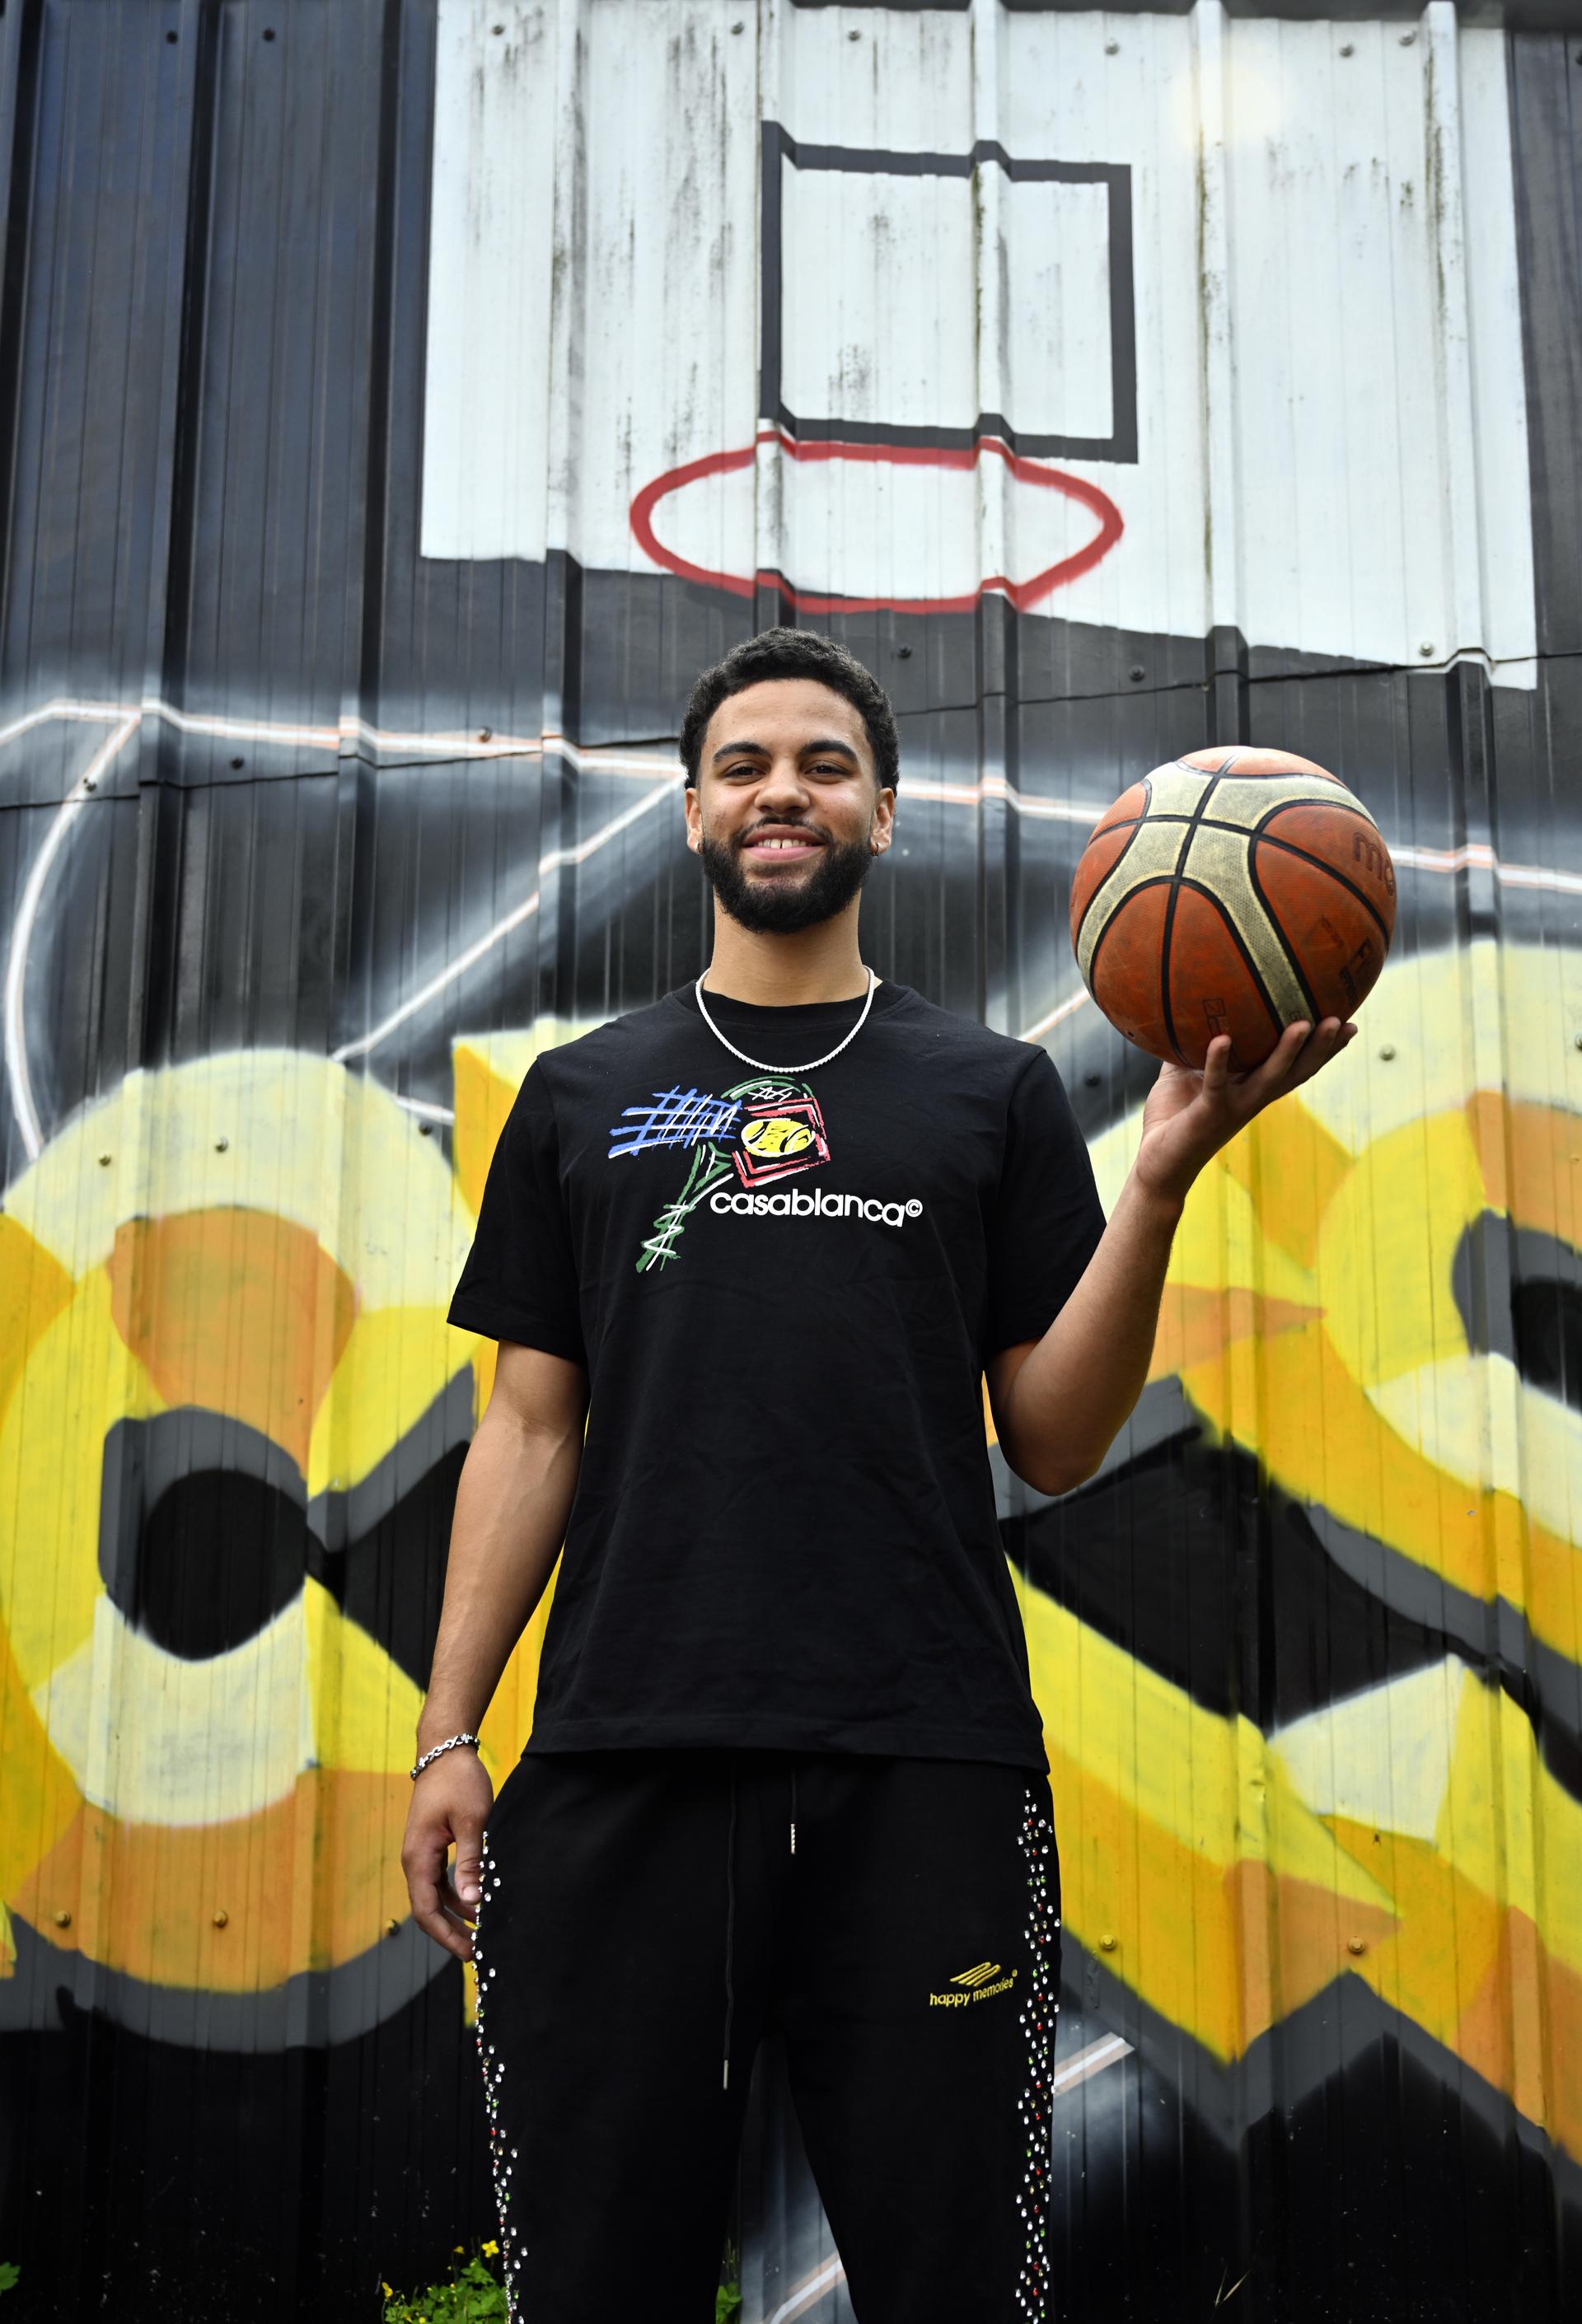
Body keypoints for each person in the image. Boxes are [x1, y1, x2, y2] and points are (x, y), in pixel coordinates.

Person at [400, 628, 1355, 2322]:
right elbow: (532, 1428)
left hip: (927, 1769)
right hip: (624, 1764)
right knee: (599, 2279)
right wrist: (451, 1730)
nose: (785, 790)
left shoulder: (984, 1094)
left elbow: (1053, 1437)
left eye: (825, 764)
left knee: (954, 2282)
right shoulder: (582, 1094)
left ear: (887, 816)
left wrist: (1156, 1184)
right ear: (692, 811)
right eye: (747, 763)